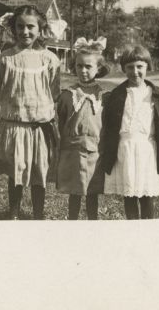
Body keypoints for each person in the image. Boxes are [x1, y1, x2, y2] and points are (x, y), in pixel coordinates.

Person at [0, 5, 60, 220]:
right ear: (14, 28)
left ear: (40, 29)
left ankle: (38, 215)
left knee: (39, 173)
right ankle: (14, 213)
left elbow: (54, 93)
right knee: (16, 172)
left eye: (31, 27)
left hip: (39, 127)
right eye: (20, 27)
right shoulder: (7, 57)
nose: (25, 32)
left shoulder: (50, 59)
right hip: (15, 125)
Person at [101, 45, 159, 219]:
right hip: (125, 149)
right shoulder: (117, 94)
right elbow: (109, 125)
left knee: (146, 195)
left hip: (146, 150)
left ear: (148, 66)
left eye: (140, 67)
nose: (135, 72)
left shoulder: (154, 94)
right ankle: (132, 229)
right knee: (130, 194)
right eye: (130, 67)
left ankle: (146, 231)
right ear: (124, 69)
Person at [56, 37, 109, 220]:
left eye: (88, 67)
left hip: (95, 151)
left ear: (98, 69)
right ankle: (73, 222)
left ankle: (92, 222)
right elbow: (62, 121)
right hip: (73, 151)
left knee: (92, 191)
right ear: (74, 67)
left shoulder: (104, 96)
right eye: (79, 66)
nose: (83, 71)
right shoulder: (68, 95)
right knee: (75, 191)